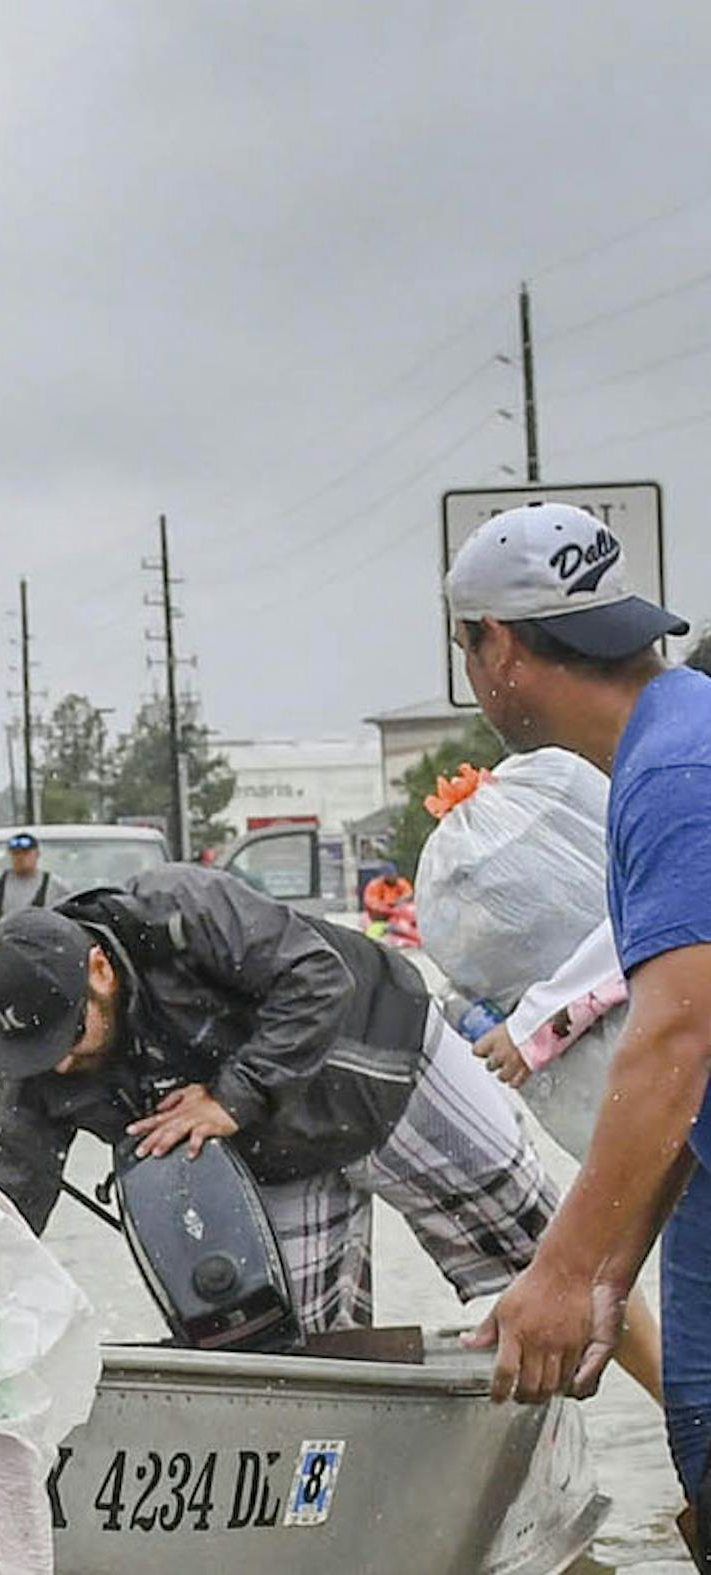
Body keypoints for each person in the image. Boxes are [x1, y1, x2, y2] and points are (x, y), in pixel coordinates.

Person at [0, 864, 565, 1342]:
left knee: (560, 1262)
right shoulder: (41, 1054)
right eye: (42, 1052)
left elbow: (318, 978)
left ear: (99, 970)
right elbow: (9, 1184)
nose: (62, 1064)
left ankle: (659, 1409)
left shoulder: (179, 908)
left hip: (387, 1064)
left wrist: (233, 1097)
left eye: (70, 1037)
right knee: (283, 1348)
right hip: (275, 1149)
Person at [442, 503, 711, 1548]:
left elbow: (678, 1042)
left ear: (498, 647)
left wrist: (562, 1270)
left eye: (468, 649)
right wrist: (605, 1269)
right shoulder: (663, 744)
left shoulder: (680, 776)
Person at [0, 832, 71, 942]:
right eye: (16, 853)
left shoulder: (56, 886)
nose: (20, 857)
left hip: (42, 950)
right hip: (2, 948)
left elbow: (73, 920)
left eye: (25, 853)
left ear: (37, 854)